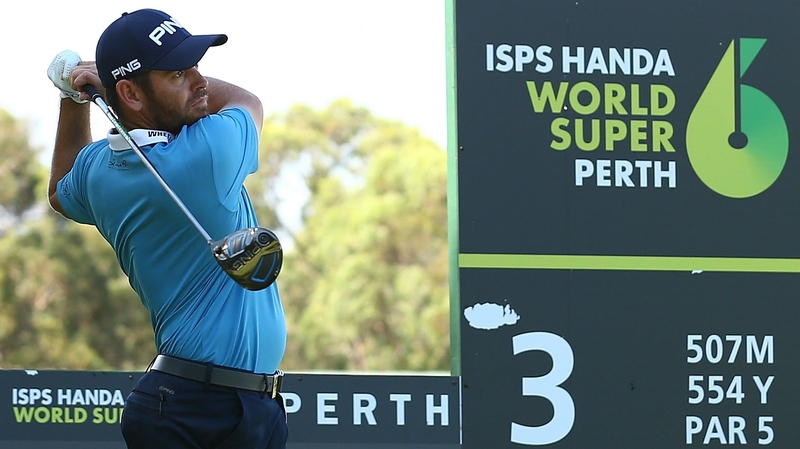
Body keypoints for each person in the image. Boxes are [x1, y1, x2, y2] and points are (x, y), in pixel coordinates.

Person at [46, 9, 288, 448]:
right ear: (131, 96)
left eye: (198, 66)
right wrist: (101, 85)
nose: (199, 82)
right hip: (203, 410)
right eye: (178, 73)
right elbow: (247, 102)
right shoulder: (207, 153)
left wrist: (72, 96)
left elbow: (60, 192)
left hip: (195, 405)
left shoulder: (99, 171)